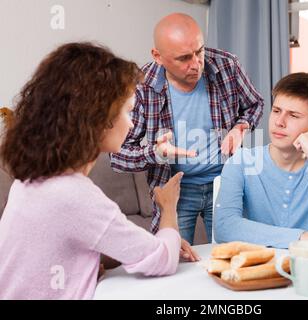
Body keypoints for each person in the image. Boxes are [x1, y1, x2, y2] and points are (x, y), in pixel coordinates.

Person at [0, 42, 183, 299]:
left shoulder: (29, 182)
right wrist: (168, 211)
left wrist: (155, 241)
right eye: (128, 111)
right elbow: (161, 260)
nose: (131, 125)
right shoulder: (74, 195)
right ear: (100, 118)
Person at [110, 13, 264, 252]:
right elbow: (117, 156)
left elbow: (255, 104)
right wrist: (156, 153)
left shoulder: (226, 66)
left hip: (225, 184)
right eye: (183, 58)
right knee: (173, 263)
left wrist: (240, 127)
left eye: (199, 51)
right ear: (157, 57)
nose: (196, 64)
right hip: (175, 191)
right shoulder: (141, 87)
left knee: (230, 259)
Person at [214, 72, 308, 249]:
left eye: (293, 115)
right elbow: (224, 228)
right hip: (252, 268)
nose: (279, 122)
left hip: (303, 268)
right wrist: (302, 237)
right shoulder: (241, 161)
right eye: (276, 111)